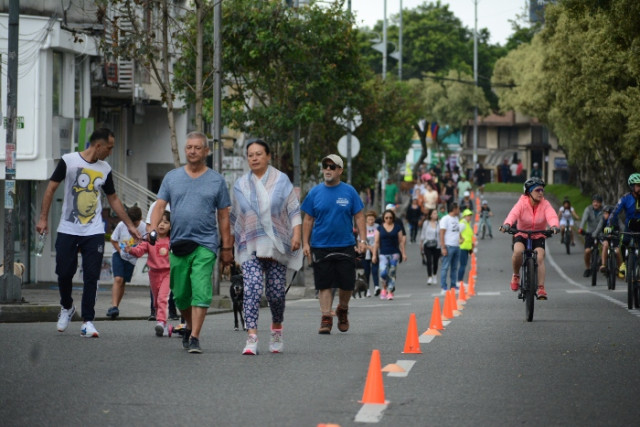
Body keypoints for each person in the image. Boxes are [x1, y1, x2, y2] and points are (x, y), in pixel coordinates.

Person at [36, 128, 142, 338]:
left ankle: (88, 321)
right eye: (109, 147)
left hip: (93, 230)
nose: (111, 152)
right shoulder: (69, 161)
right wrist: (43, 218)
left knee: (91, 276)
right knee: (64, 273)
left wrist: (129, 225)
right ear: (98, 146)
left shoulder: (105, 169)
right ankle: (67, 307)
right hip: (68, 228)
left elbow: (113, 199)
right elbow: (50, 188)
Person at [149, 131, 234, 354]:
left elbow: (224, 216)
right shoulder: (172, 177)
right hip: (178, 243)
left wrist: (226, 247)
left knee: (201, 290)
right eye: (189, 147)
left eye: (197, 147)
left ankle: (195, 336)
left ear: (206, 151)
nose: (192, 151)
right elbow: (160, 205)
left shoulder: (216, 180)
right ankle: (188, 325)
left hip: (205, 244)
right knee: (180, 294)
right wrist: (151, 230)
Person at [230, 138, 303, 355]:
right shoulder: (240, 184)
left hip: (277, 245)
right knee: (251, 288)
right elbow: (236, 217)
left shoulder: (282, 181)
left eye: (258, 154)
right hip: (250, 244)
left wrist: (296, 235)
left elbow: (293, 210)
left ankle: (277, 329)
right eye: (250, 155)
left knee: (275, 294)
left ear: (268, 156)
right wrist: (234, 249)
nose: (254, 158)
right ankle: (251, 338)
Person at [301, 154, 366, 334]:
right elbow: (308, 219)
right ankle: (326, 317)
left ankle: (342, 309)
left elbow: (359, 216)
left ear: (340, 170)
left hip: (345, 244)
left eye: (332, 166)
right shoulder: (315, 192)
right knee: (324, 283)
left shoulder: (349, 192)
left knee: (347, 284)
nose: (328, 170)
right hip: (320, 245)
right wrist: (305, 243)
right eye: (325, 166)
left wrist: (362, 240)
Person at [500, 177, 559, 299]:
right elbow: (513, 214)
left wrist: (554, 226)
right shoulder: (522, 203)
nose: (541, 193)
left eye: (542, 190)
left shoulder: (545, 204)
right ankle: (516, 275)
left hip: (538, 234)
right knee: (517, 252)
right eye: (537, 190)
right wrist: (507, 224)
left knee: (540, 257)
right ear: (529, 192)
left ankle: (541, 288)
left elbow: (552, 215)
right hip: (522, 234)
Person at [126, 210, 172, 336]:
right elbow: (140, 251)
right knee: (156, 300)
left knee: (163, 298)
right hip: (153, 273)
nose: (162, 225)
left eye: (166, 222)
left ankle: (161, 322)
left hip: (168, 273)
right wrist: (131, 250)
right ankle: (162, 323)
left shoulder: (171, 241)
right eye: (159, 222)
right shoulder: (149, 240)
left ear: (171, 226)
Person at [106, 206, 147, 319]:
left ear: (140, 219)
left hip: (132, 258)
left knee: (123, 282)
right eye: (131, 223)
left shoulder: (144, 227)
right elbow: (113, 240)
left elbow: (145, 244)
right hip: (118, 254)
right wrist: (119, 251)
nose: (133, 226)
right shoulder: (121, 225)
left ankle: (115, 307)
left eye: (135, 223)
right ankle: (114, 306)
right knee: (118, 279)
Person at [145, 200, 178, 321]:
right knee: (155, 284)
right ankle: (154, 311)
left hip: (174, 244)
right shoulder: (157, 204)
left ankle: (172, 310)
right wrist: (152, 239)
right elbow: (149, 224)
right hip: (157, 246)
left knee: (171, 280)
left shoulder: (181, 201)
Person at [605, 173, 640, 279]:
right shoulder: (625, 198)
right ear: (632, 187)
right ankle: (624, 263)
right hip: (630, 226)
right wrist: (609, 225)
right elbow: (615, 212)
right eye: (638, 185)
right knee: (624, 242)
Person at [372, 209, 407, 300]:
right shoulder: (379, 228)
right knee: (383, 272)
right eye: (386, 218)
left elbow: (401, 242)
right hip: (383, 253)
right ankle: (384, 287)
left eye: (390, 218)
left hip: (394, 253)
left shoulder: (397, 227)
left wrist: (403, 253)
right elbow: (376, 242)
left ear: (393, 218)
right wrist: (374, 255)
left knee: (392, 272)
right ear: (383, 218)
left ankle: (390, 291)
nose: (388, 219)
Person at [578, 194, 603, 277]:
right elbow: (584, 219)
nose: (596, 204)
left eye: (598, 202)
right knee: (587, 251)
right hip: (590, 233)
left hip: (601, 233)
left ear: (601, 203)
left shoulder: (604, 210)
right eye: (594, 202)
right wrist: (581, 228)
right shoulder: (588, 209)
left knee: (605, 247)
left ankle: (604, 265)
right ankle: (587, 268)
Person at [439, 202, 461, 293]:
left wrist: (461, 238)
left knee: (454, 267)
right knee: (445, 267)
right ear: (454, 209)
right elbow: (442, 233)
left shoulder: (456, 218)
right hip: (448, 246)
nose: (459, 210)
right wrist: (443, 247)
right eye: (458, 209)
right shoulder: (445, 219)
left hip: (456, 246)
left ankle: (453, 285)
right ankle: (443, 286)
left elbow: (457, 231)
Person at [594, 205, 622, 274]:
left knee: (617, 251)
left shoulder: (617, 219)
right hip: (605, 237)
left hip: (614, 238)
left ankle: (620, 268)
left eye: (606, 213)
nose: (604, 215)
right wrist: (594, 234)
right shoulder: (602, 220)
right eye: (604, 213)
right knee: (605, 245)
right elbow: (598, 228)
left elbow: (622, 227)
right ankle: (603, 264)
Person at [420, 209, 441, 286]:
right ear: (431, 215)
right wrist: (421, 244)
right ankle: (429, 277)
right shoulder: (426, 223)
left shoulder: (439, 223)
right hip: (427, 244)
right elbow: (423, 233)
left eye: (436, 213)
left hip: (436, 244)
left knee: (435, 261)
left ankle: (434, 274)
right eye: (434, 213)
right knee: (429, 261)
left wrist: (442, 245)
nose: (436, 215)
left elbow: (441, 234)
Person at [362, 210, 380, 297]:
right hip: (366, 252)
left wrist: (375, 248)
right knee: (367, 271)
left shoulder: (378, 227)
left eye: (372, 219)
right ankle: (367, 289)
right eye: (369, 219)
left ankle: (376, 286)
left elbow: (380, 238)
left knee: (375, 270)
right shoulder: (363, 228)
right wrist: (369, 247)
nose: (371, 221)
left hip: (376, 251)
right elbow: (361, 241)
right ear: (366, 220)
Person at [457, 209, 474, 287]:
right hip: (462, 247)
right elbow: (457, 233)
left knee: (464, 265)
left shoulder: (467, 223)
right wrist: (460, 240)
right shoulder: (463, 224)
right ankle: (459, 281)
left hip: (467, 247)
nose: (470, 217)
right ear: (464, 216)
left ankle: (460, 281)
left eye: (470, 215)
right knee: (462, 265)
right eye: (468, 216)